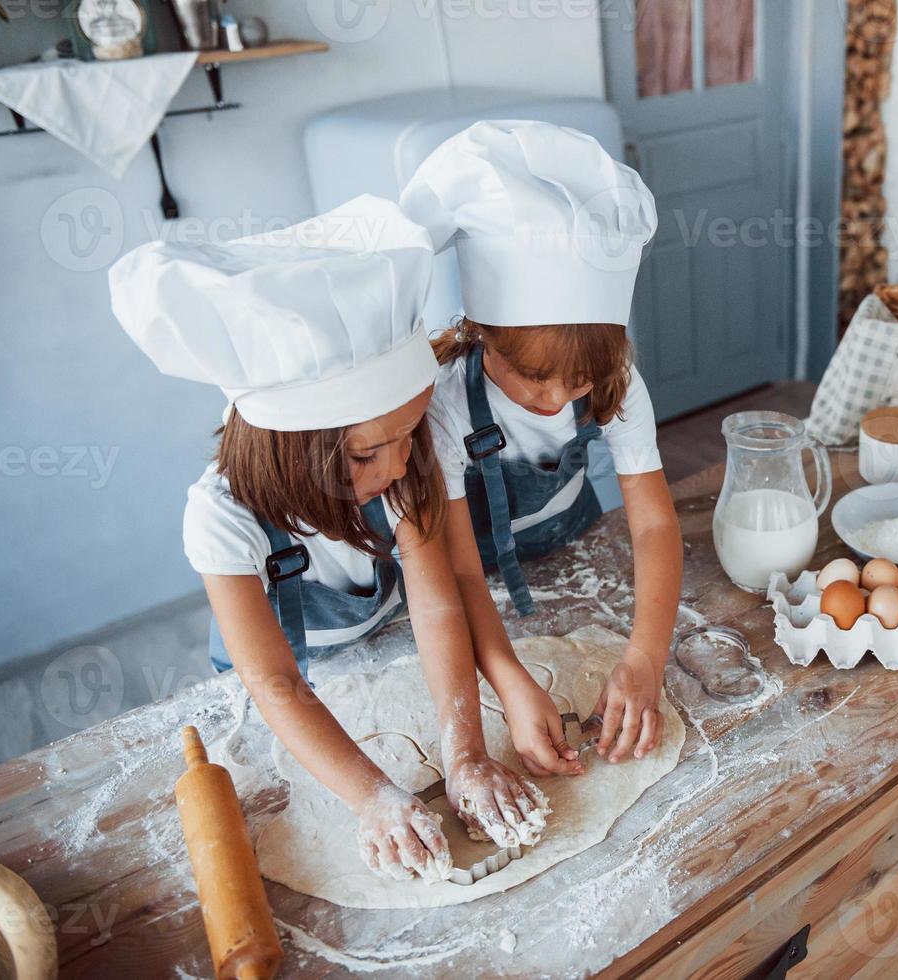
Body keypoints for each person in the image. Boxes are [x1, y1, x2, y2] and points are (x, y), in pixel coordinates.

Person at [108, 196, 544, 883]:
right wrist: (375, 797)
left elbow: (433, 605)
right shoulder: (220, 518)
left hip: (383, 644)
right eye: (369, 454)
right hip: (290, 690)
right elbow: (276, 681)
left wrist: (464, 753)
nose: (399, 465)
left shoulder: (405, 454)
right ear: (294, 451)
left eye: (409, 435)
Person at [400, 121, 683, 771]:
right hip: (482, 589)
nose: (557, 400)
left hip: (574, 556)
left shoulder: (616, 380)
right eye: (533, 377)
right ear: (482, 331)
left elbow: (653, 524)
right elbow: (461, 571)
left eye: (576, 379)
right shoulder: (445, 402)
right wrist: (508, 678)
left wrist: (644, 657)